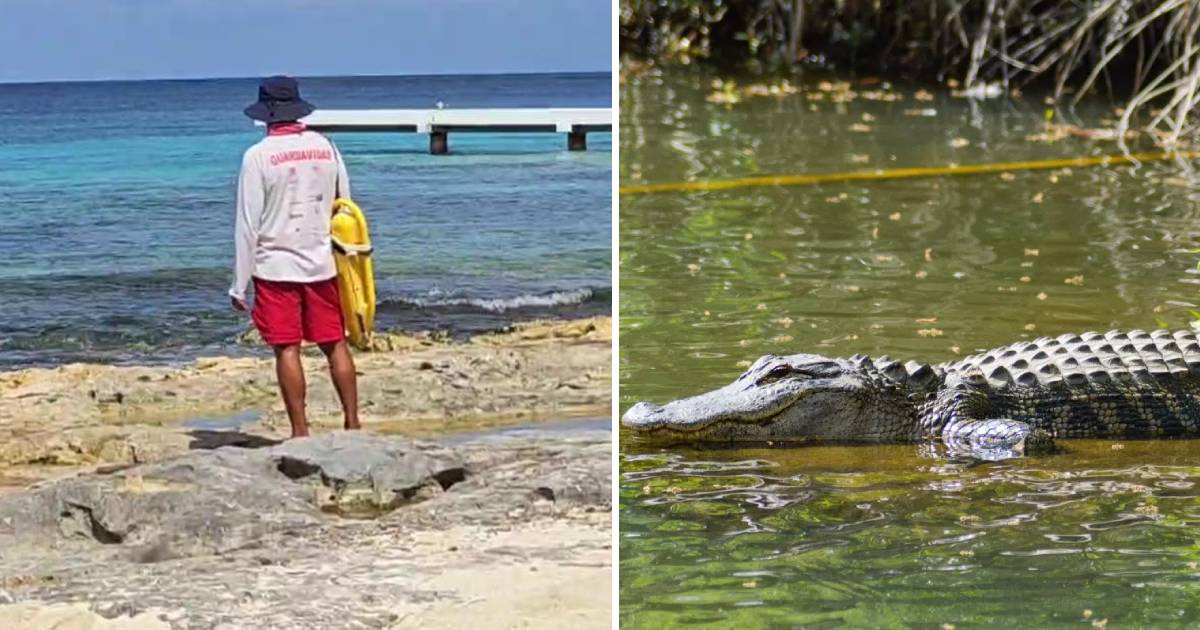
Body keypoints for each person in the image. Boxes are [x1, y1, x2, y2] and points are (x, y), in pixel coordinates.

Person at [229, 75, 360, 438]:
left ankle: (300, 432)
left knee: (287, 348)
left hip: (275, 267)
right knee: (335, 343)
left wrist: (239, 285)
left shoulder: (257, 157)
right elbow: (344, 207)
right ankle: (352, 422)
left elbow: (247, 224)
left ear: (266, 113)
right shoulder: (326, 147)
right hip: (322, 264)